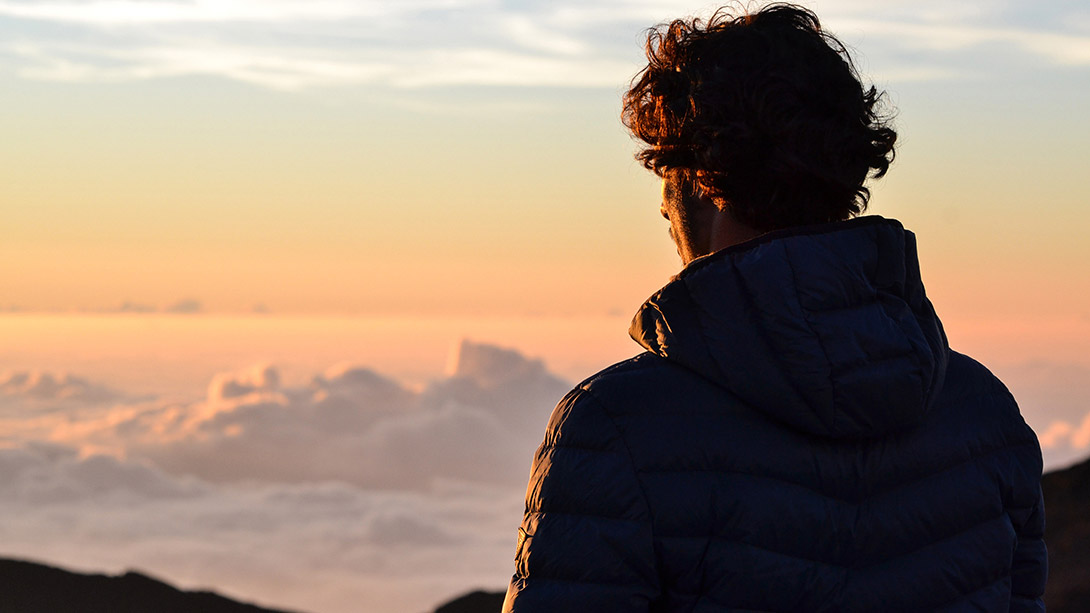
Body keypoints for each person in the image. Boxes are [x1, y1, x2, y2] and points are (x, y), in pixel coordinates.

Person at [502, 3, 1047, 612]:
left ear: (698, 180)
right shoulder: (984, 417)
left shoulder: (613, 428)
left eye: (664, 175)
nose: (661, 210)